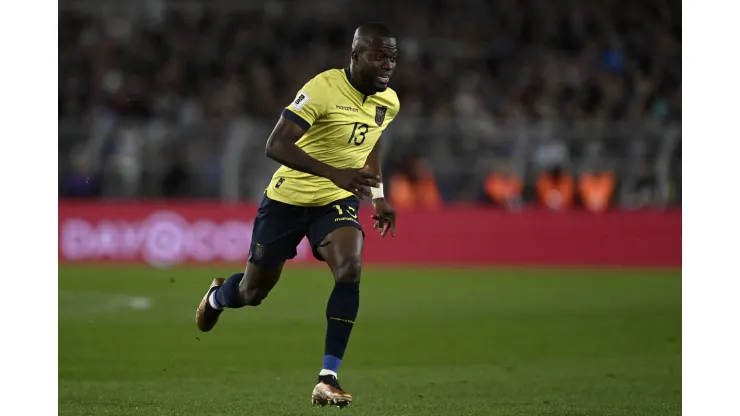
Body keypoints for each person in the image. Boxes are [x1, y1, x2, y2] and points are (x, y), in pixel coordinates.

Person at [194, 22, 400, 408]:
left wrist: (378, 195)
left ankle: (328, 377)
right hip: (287, 201)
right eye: (379, 55)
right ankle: (218, 297)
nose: (388, 64)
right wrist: (337, 172)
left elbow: (373, 138)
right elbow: (276, 144)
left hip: (335, 201)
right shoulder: (323, 88)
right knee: (252, 292)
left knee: (350, 267)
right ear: (355, 56)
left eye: (393, 56)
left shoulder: (388, 101)